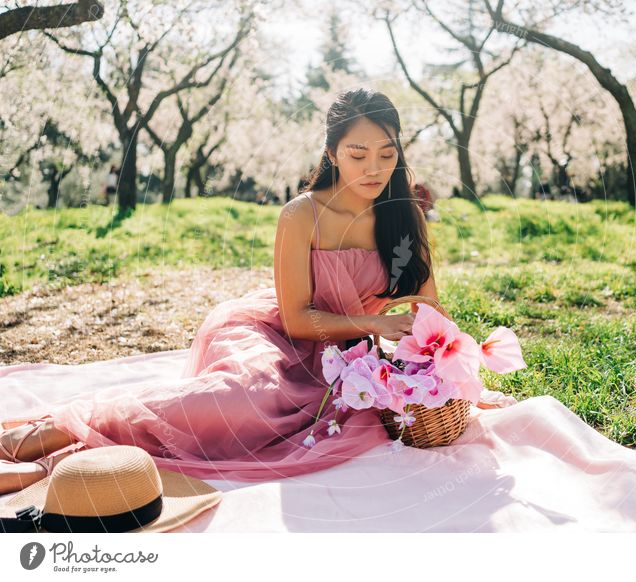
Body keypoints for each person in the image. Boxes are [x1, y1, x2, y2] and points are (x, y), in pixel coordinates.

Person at [0, 88, 455, 490]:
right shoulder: (302, 215)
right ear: (332, 153)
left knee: (288, 415)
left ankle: (80, 452)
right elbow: (297, 318)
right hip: (279, 334)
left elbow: (429, 310)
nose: (373, 168)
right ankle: (63, 427)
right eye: (358, 154)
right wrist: (377, 322)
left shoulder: (404, 214)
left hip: (352, 356)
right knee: (242, 400)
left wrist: (430, 361)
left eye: (387, 153)